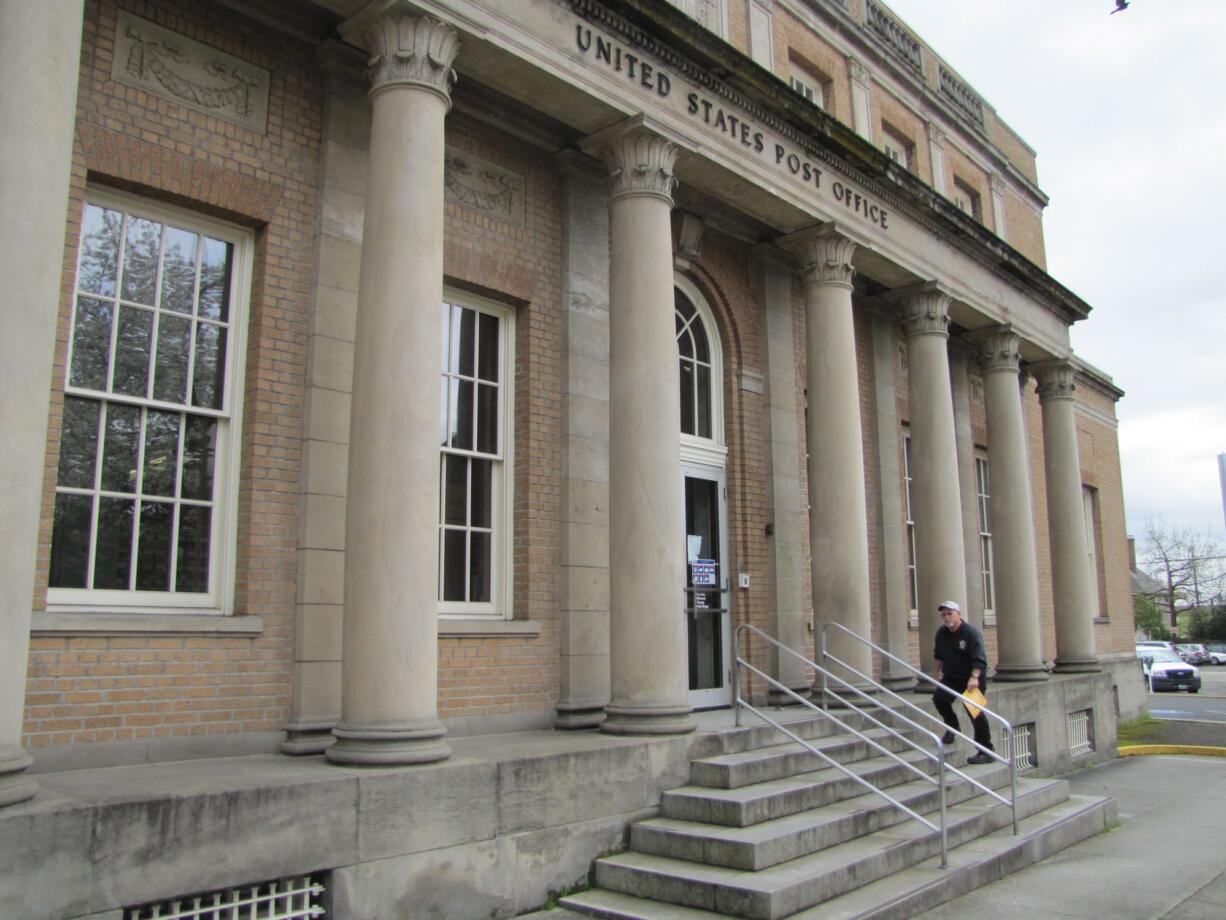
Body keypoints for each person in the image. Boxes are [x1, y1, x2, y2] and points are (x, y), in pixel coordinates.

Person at [932, 600, 995, 765]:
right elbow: (938, 655)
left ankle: (986, 751)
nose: (947, 618)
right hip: (951, 677)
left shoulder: (970, 633)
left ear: (958, 614)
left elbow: (980, 658)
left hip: (971, 679)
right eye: (944, 614)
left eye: (950, 613)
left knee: (975, 714)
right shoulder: (942, 633)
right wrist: (936, 672)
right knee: (939, 698)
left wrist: (974, 677)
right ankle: (952, 727)